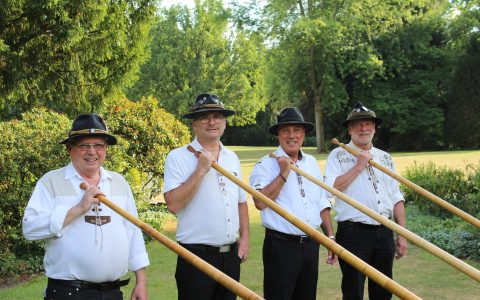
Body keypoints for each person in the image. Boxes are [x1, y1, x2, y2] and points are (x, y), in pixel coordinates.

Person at [23, 114, 150, 300]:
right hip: (67, 293)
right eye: (84, 146)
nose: (92, 152)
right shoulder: (51, 181)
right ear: (69, 149)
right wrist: (78, 209)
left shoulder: (119, 182)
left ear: (105, 149)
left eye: (98, 145)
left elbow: (133, 233)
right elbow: (30, 228)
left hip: (113, 293)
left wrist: (141, 281)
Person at [163, 93, 249, 300]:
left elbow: (241, 201)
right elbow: (173, 204)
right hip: (195, 257)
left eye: (218, 116)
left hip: (230, 256)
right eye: (205, 117)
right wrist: (200, 170)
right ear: (194, 124)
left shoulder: (232, 157)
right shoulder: (178, 157)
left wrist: (245, 237)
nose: (212, 122)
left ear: (225, 122)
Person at [249, 107, 336, 300]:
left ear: (304, 134)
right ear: (278, 134)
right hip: (281, 246)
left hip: (311, 244)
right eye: (286, 130)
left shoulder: (311, 162)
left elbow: (320, 202)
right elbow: (260, 203)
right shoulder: (265, 164)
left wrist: (329, 236)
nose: (292, 136)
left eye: (297, 130)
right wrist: (283, 173)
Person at [324, 102, 407, 300]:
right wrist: (359, 166)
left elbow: (396, 198)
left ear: (374, 128)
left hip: (384, 231)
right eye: (358, 124)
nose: (364, 128)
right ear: (350, 129)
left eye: (368, 124)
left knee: (383, 291)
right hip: (353, 234)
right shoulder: (338, 155)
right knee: (353, 291)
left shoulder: (385, 158)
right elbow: (332, 188)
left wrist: (401, 234)